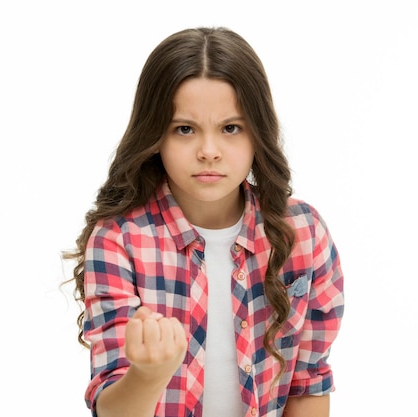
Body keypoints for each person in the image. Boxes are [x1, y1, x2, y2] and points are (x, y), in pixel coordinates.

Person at [63, 27, 345, 417]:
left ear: (258, 133)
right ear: (154, 135)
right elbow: (111, 408)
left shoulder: (303, 232)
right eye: (184, 129)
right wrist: (147, 374)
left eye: (231, 128)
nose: (209, 151)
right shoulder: (118, 240)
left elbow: (309, 382)